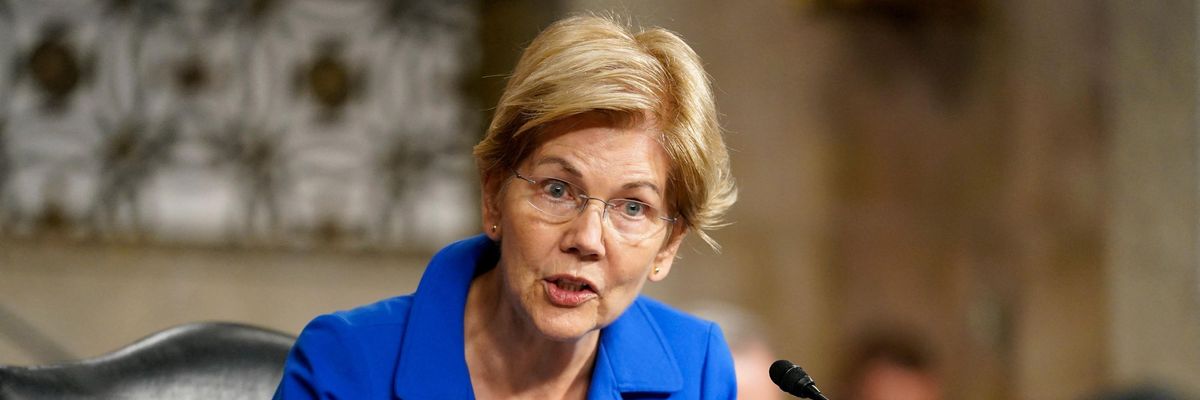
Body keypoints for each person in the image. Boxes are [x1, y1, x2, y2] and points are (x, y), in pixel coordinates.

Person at [273, 14, 738, 399]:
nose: (587, 239)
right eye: (557, 190)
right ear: (494, 194)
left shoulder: (696, 366)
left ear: (668, 246)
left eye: (633, 208)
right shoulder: (346, 361)